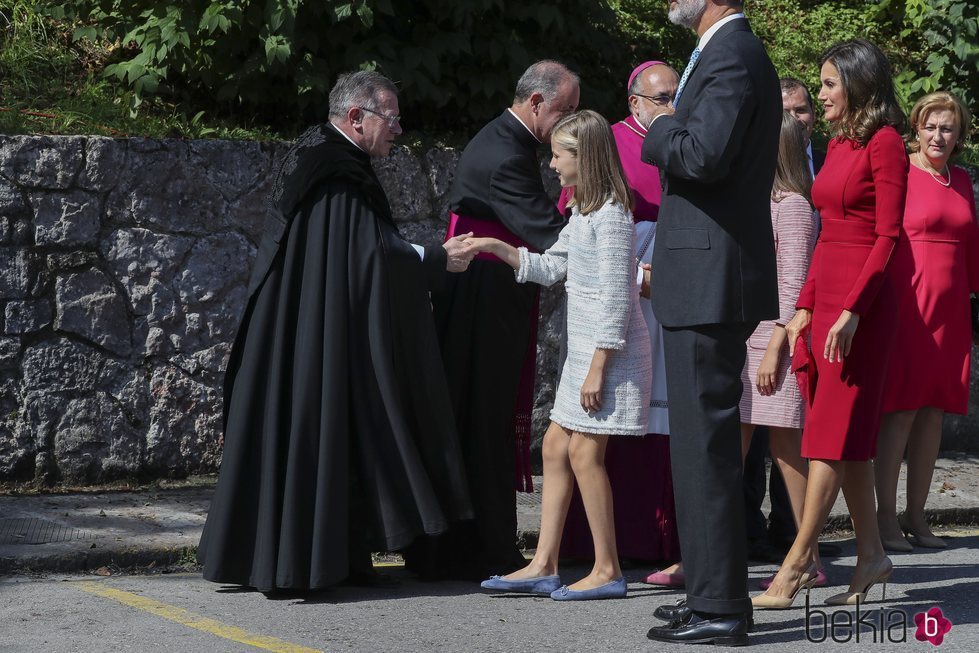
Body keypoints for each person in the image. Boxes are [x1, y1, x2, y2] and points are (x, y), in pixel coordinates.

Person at [198, 71, 476, 592]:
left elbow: (352, 251)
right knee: (320, 428)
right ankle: (301, 564)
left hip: (308, 325)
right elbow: (368, 255)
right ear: (356, 117)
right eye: (391, 118)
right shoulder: (336, 171)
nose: (399, 129)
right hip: (317, 334)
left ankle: (332, 558)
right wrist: (436, 258)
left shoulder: (319, 152)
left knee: (331, 432)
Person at [403, 61, 580, 581]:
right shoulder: (507, 155)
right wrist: (601, 232)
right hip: (483, 297)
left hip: (484, 289)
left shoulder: (509, 140)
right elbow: (547, 231)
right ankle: (481, 548)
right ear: (535, 103)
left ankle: (470, 543)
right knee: (484, 416)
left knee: (479, 414)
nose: (570, 119)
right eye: (565, 110)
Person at [639, 1, 781, 646]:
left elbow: (703, 156)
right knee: (699, 450)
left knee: (706, 451)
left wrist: (659, 124)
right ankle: (708, 592)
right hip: (704, 274)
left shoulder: (731, 54)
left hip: (709, 278)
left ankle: (721, 605)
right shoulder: (725, 51)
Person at [470, 109, 652, 600]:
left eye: (558, 155)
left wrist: (598, 368)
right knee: (554, 446)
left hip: (609, 355)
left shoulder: (612, 215)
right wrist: (494, 245)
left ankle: (608, 569)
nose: (551, 164)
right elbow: (551, 266)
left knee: (583, 452)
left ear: (583, 156)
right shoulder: (584, 211)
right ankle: (544, 563)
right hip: (588, 353)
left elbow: (618, 297)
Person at [753, 39, 908, 610]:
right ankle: (871, 555)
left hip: (863, 308)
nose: (819, 96)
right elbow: (828, 235)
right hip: (829, 303)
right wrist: (803, 308)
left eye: (827, 85)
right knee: (847, 442)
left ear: (858, 84)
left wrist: (852, 312)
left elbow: (888, 237)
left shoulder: (886, 143)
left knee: (828, 440)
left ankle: (797, 563)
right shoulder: (840, 142)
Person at [558, 61, 682, 572]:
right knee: (602, 423)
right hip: (625, 294)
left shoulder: (683, 139)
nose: (672, 106)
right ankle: (594, 549)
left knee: (662, 416)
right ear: (634, 102)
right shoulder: (605, 142)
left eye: (677, 95)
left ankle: (659, 541)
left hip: (668, 288)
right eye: (661, 98)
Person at [875, 91, 977, 552]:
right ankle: (884, 519)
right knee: (902, 410)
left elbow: (971, 247)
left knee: (934, 411)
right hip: (910, 304)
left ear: (959, 136)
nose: (938, 136)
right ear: (916, 127)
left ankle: (917, 518)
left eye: (947, 128)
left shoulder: (961, 180)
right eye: (930, 126)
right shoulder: (900, 171)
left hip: (951, 308)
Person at [740, 111, 820, 587]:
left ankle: (806, 555)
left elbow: (793, 284)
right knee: (735, 450)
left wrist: (773, 347)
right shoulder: (762, 200)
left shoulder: (792, 205)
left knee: (787, 448)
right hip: (750, 339)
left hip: (776, 342)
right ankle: (713, 553)